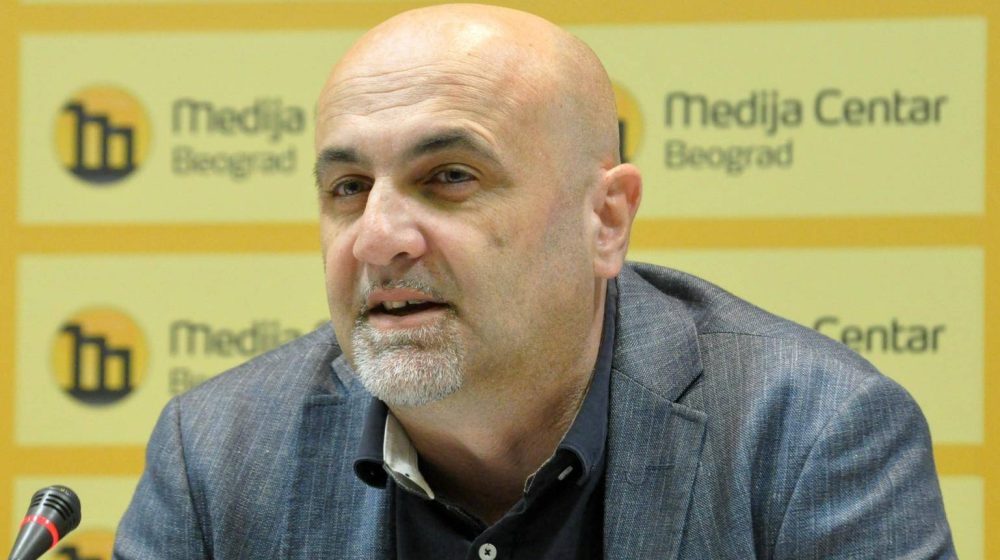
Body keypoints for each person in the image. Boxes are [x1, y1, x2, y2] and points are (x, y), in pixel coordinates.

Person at [113, 4, 956, 559]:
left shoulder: (811, 436)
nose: (378, 237)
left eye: (450, 177)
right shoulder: (216, 457)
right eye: (348, 188)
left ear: (606, 221)